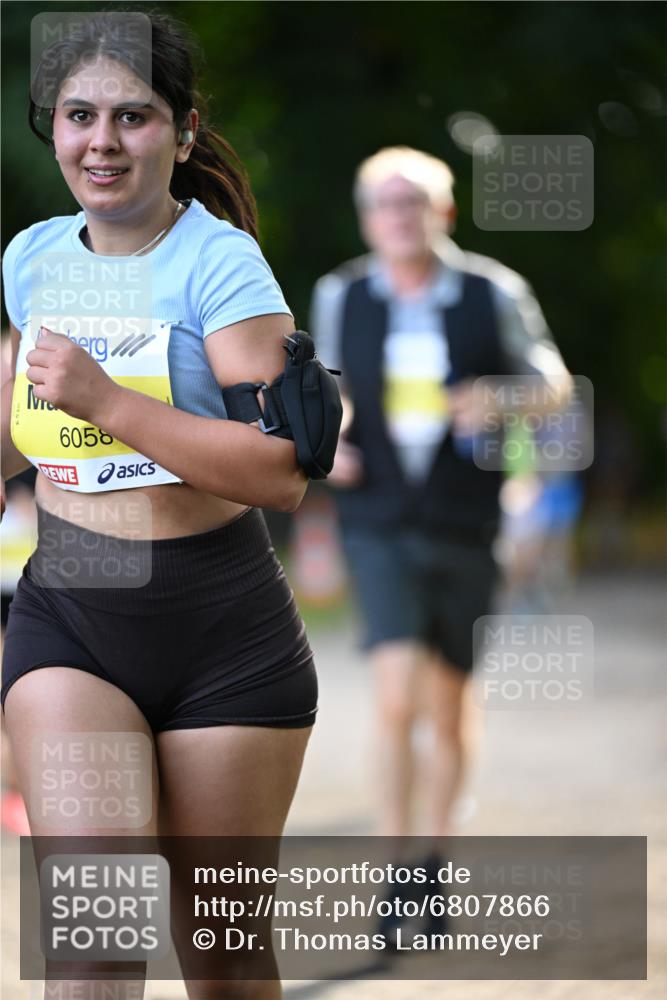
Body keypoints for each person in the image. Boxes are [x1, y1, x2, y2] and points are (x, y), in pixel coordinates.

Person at [1, 11, 318, 998]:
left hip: (222, 637)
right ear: (53, 128)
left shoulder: (220, 265)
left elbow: (280, 471)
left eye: (132, 117)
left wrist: (107, 401)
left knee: (223, 954)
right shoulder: (31, 257)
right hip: (72, 621)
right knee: (95, 941)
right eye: (79, 115)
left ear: (182, 133)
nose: (102, 141)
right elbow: (21, 425)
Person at [310, 146, 572, 923]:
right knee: (396, 696)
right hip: (378, 518)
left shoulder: (492, 290)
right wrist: (330, 442)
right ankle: (395, 871)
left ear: (443, 212)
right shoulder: (341, 294)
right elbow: (328, 389)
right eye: (383, 204)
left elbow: (553, 386)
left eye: (412, 202)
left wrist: (497, 398)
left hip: (468, 519)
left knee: (450, 705)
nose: (398, 217)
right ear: (366, 218)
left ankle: (434, 861)